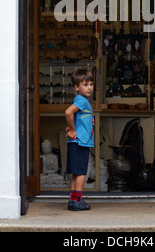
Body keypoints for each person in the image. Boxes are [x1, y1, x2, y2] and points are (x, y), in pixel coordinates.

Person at [65, 68, 94, 211]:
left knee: (76, 173)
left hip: (75, 142)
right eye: (85, 84)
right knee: (81, 172)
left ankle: (72, 200)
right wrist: (72, 129)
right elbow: (68, 112)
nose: (89, 87)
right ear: (77, 87)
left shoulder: (79, 100)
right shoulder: (82, 101)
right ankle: (78, 201)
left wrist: (72, 127)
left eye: (91, 84)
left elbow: (75, 116)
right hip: (80, 141)